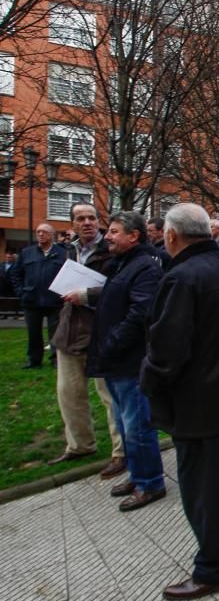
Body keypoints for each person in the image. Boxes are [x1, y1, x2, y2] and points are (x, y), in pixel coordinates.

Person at [141, 203, 219, 600]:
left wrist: (151, 381)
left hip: (199, 404)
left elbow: (167, 348)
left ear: (172, 236)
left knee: (203, 489)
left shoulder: (182, 277)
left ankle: (214, 567)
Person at [86, 212, 166, 512]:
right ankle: (137, 474)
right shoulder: (122, 264)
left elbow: (140, 314)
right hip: (115, 360)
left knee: (137, 425)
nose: (108, 237)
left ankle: (150, 482)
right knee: (123, 421)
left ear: (134, 236)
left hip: (130, 361)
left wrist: (112, 342)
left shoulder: (144, 267)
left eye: (115, 232)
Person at [48, 203, 125, 478]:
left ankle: (120, 452)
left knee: (110, 396)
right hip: (69, 331)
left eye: (92, 217)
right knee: (69, 394)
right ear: (73, 224)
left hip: (100, 331)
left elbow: (121, 289)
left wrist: (88, 295)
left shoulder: (112, 250)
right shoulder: (66, 251)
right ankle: (80, 445)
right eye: (81, 218)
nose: (87, 222)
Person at [10, 224, 67, 368]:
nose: (41, 234)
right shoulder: (27, 253)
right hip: (31, 300)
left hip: (55, 300)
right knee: (33, 333)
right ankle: (34, 360)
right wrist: (21, 292)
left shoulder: (63, 253)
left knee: (56, 333)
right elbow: (16, 274)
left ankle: (56, 360)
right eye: (38, 232)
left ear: (52, 235)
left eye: (44, 232)